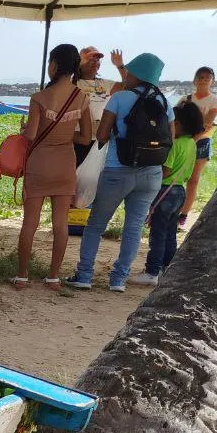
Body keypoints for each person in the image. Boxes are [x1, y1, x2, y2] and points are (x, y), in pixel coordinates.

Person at [66, 52, 171, 293]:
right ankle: (118, 280)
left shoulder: (120, 98)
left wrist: (115, 132)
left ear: (137, 74)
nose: (128, 76)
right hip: (151, 175)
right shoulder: (164, 102)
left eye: (131, 72)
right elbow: (170, 139)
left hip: (118, 170)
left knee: (96, 225)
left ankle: (84, 275)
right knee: (133, 227)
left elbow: (101, 136)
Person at [12, 44, 91, 288]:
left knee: (30, 223)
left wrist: (24, 128)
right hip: (65, 163)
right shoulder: (82, 97)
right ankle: (53, 276)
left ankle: (23, 275)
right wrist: (66, 137)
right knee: (60, 223)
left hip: (40, 164)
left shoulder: (39, 97)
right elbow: (87, 138)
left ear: (54, 65)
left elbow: (31, 134)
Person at [130, 101, 205, 287]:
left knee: (157, 234)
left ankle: (151, 271)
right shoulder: (191, 144)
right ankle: (166, 269)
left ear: (178, 125)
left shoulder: (176, 144)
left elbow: (166, 170)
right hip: (179, 191)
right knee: (170, 233)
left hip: (164, 190)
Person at [176, 66, 217, 226]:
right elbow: (176, 118)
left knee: (193, 180)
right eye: (200, 77)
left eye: (207, 77)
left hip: (201, 142)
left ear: (212, 81)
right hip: (184, 141)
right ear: (195, 80)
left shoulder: (214, 100)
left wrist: (193, 139)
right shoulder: (186, 99)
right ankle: (173, 208)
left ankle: (183, 214)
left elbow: (208, 122)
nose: (203, 80)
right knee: (176, 176)